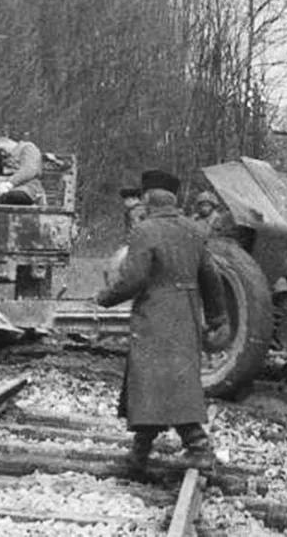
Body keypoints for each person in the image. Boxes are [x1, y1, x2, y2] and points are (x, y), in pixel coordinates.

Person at [95, 169, 229, 473]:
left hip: (155, 315)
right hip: (186, 314)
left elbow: (134, 279)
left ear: (147, 199)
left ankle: (199, 447)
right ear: (173, 199)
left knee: (150, 379)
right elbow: (211, 277)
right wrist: (218, 317)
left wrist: (104, 298)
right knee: (172, 379)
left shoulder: (145, 231)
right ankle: (140, 454)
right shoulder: (194, 229)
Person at [0, 134, 45, 205]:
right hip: (7, 184)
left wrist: (10, 183)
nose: (2, 153)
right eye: (0, 152)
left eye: (2, 149)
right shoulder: (6, 156)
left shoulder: (27, 148)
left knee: (11, 197)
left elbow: (29, 170)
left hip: (28, 187)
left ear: (9, 143)